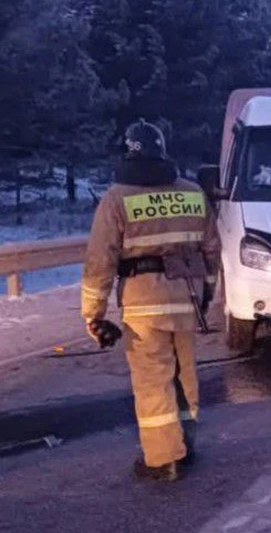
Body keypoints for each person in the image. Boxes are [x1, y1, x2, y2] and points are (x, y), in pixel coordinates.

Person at [81, 119, 220, 482]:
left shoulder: (116, 199)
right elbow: (212, 251)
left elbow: (100, 260)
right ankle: (186, 445)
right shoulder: (192, 193)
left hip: (144, 305)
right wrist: (207, 295)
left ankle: (163, 459)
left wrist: (93, 314)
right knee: (184, 376)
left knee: (153, 380)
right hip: (186, 300)